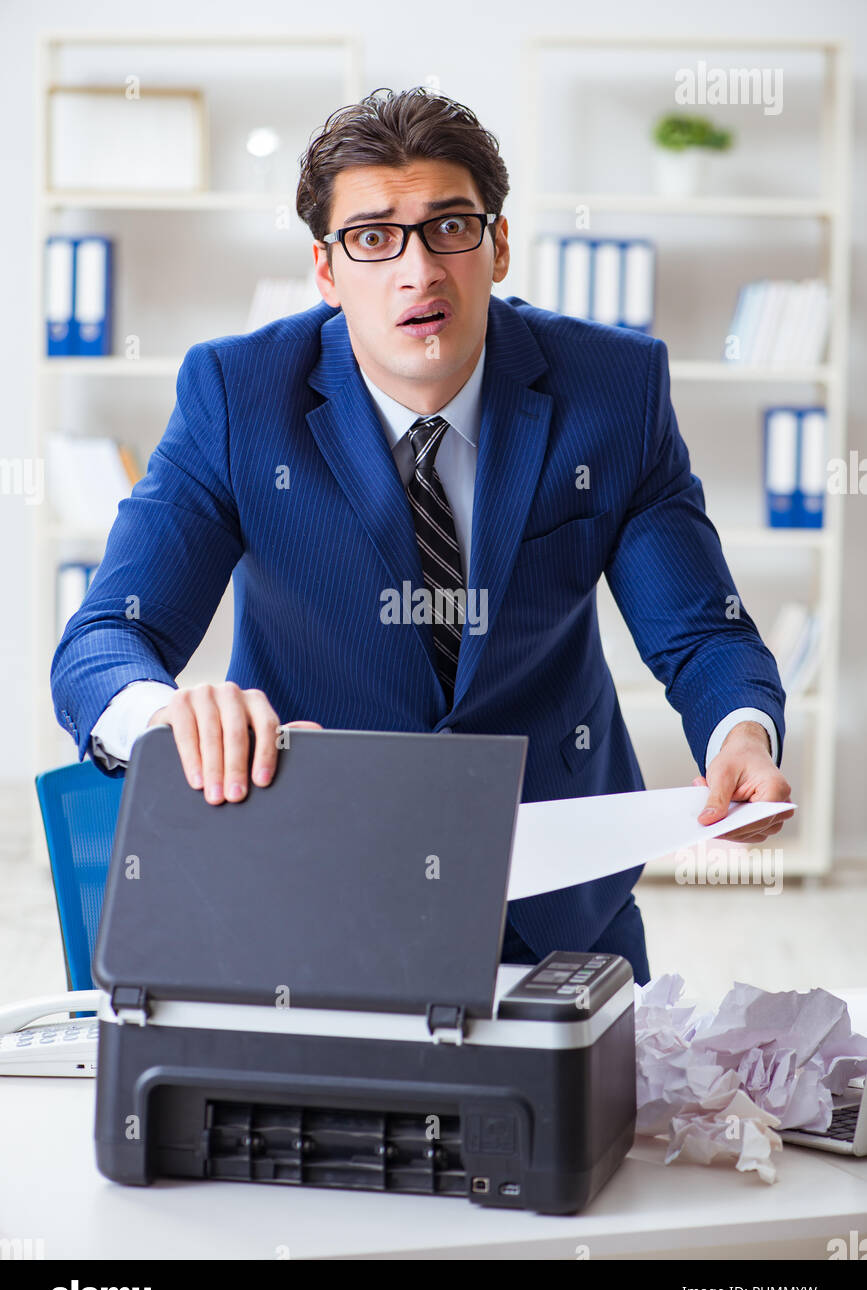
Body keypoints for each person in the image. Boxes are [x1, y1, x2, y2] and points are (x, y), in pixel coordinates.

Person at [51, 87, 793, 985]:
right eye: (372, 237)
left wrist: (740, 735)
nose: (418, 272)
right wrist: (170, 719)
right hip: (311, 882)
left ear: (498, 245)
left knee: (586, 1126)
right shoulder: (238, 396)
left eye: (449, 227)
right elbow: (102, 641)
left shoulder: (613, 389)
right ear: (325, 271)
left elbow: (699, 630)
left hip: (559, 894)